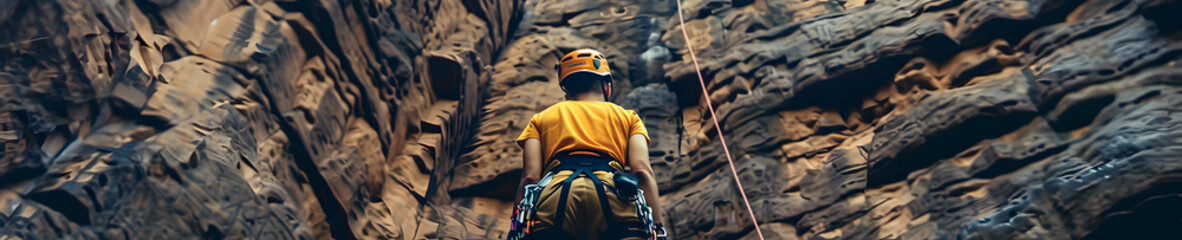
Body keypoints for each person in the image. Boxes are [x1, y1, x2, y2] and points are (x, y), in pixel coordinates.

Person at [513, 49, 664, 240]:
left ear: (566, 89)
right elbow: (642, 171)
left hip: (556, 196)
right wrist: (657, 227)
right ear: (607, 86)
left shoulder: (541, 119)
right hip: (614, 193)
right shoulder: (628, 117)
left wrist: (515, 228)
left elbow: (530, 177)